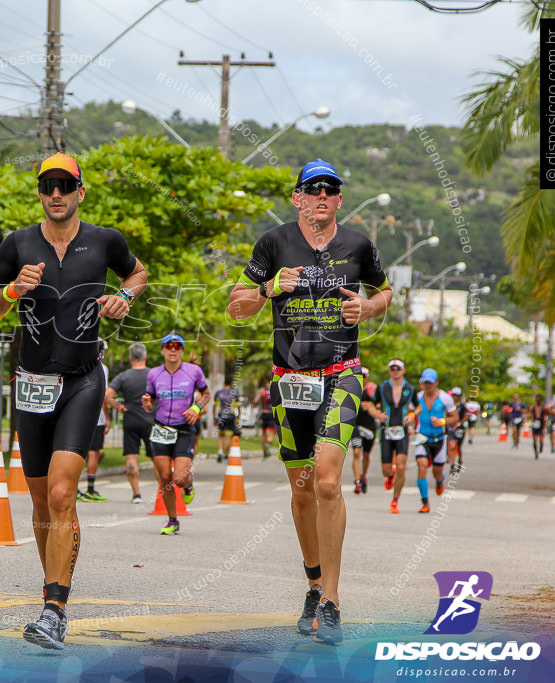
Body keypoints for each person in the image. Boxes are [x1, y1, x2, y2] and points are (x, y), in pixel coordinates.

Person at [0, 152, 146, 650]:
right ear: (40, 192)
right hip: (31, 382)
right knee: (38, 501)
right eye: (48, 185)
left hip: (83, 379)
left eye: (65, 186)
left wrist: (126, 298)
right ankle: (52, 588)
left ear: (80, 192)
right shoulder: (18, 243)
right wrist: (9, 291)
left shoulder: (105, 241)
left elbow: (137, 274)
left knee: (60, 494)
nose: (56, 194)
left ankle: (54, 608)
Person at [228, 158, 392, 645]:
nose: (321, 195)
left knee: (325, 481)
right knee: (301, 490)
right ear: (298, 197)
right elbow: (235, 308)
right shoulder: (273, 243)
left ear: (340, 199)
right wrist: (267, 287)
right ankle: (313, 583)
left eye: (331, 189)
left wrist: (367, 306)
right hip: (290, 380)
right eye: (312, 189)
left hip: (342, 375)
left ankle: (333, 601)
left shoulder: (359, 245)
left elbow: (385, 292)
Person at [141, 333, 211, 535]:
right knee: (164, 477)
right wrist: (147, 404)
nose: (173, 349)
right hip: (161, 428)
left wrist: (196, 409)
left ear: (182, 350)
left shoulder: (193, 371)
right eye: (168, 346)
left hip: (184, 429)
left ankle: (189, 484)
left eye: (177, 346)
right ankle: (173, 520)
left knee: (179, 478)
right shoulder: (154, 374)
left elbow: (206, 394)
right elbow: (150, 401)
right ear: (162, 350)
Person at [105, 342, 153, 503]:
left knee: (132, 458)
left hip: (130, 419)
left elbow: (107, 395)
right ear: (145, 356)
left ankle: (136, 494)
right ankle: (163, 492)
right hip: (151, 420)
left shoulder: (123, 376)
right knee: (157, 457)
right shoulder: (153, 374)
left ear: (131, 358)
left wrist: (119, 407)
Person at [411, 368, 459, 514]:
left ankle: (439, 481)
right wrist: (411, 422)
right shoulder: (417, 398)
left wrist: (442, 421)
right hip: (422, 437)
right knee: (422, 465)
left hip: (439, 439)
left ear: (436, 382)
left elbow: (455, 418)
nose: (428, 386)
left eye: (430, 383)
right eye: (425, 383)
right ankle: (425, 502)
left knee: (437, 472)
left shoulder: (445, 398)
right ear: (421, 383)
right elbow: (410, 413)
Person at [375, 358, 419, 514]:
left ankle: (395, 501)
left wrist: (412, 415)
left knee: (401, 466)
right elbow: (372, 405)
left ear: (403, 370)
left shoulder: (410, 388)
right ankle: (389, 476)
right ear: (389, 371)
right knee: (387, 470)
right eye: (392, 369)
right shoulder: (382, 387)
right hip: (386, 431)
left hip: (402, 431)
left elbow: (418, 407)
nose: (395, 371)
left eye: (398, 369)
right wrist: (377, 414)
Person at [80, 343, 111, 502]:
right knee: (94, 451)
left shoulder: (79, 363)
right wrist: (107, 417)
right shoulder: (102, 368)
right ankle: (90, 488)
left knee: (76, 451)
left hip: (78, 415)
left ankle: (75, 488)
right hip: (95, 416)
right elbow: (103, 395)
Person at [350, 367, 381, 494]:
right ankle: (357, 481)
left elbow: (379, 404)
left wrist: (371, 406)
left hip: (369, 425)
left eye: (363, 376)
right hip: (355, 425)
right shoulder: (351, 388)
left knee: (366, 455)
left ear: (367, 377)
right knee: (357, 452)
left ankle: (363, 476)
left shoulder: (372, 388)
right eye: (359, 376)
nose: (361, 378)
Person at [214, 378, 242, 463]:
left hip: (221, 416)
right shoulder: (234, 393)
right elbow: (238, 406)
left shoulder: (218, 393)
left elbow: (214, 406)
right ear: (231, 383)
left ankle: (220, 451)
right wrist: (239, 417)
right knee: (228, 438)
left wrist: (214, 417)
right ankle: (226, 456)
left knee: (220, 436)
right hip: (230, 416)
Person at [448, 387, 469, 474]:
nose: (455, 397)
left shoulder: (463, 405)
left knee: (459, 447)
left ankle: (460, 461)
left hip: (460, 428)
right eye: (454, 395)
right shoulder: (449, 405)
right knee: (452, 446)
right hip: (451, 428)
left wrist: (459, 423)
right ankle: (453, 465)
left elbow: (466, 416)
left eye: (457, 395)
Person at [256, 378, 275, 459]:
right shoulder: (275, 389)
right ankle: (268, 443)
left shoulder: (262, 390)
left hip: (264, 413)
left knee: (263, 434)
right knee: (271, 433)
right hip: (272, 413)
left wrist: (255, 404)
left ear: (265, 381)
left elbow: (255, 400)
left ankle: (264, 452)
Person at [529, 393, 548, 460]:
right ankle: (536, 453)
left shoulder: (544, 408)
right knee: (534, 440)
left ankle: (541, 446)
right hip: (535, 424)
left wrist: (545, 424)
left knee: (541, 439)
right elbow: (530, 415)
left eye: (539, 400)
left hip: (541, 424)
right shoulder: (532, 407)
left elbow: (546, 416)